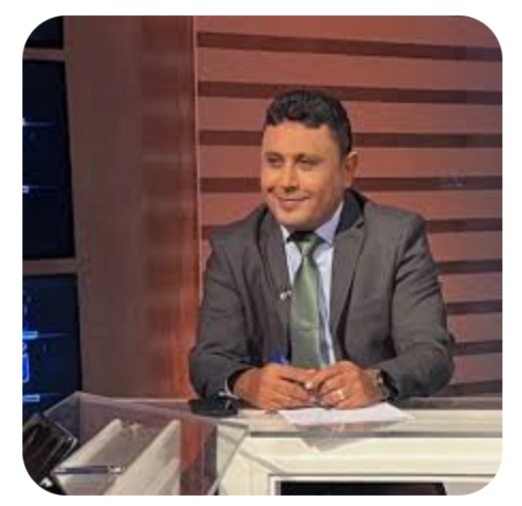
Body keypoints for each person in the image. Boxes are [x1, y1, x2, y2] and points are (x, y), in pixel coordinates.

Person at [189, 89, 454, 413]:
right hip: (271, 433)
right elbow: (208, 361)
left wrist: (377, 381)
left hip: (371, 430)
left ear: (348, 169)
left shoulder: (395, 238)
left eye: (306, 163)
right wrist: (247, 382)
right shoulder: (235, 249)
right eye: (274, 162)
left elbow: (432, 354)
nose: (286, 181)